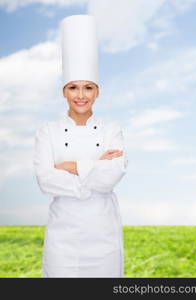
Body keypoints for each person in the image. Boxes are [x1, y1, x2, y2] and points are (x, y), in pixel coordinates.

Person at [33, 15, 128, 278]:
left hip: (103, 236)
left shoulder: (112, 129)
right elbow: (45, 180)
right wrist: (95, 170)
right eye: (73, 87)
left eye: (88, 88)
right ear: (64, 91)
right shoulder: (47, 132)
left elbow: (113, 175)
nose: (81, 95)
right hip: (63, 237)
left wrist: (70, 167)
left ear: (97, 91)